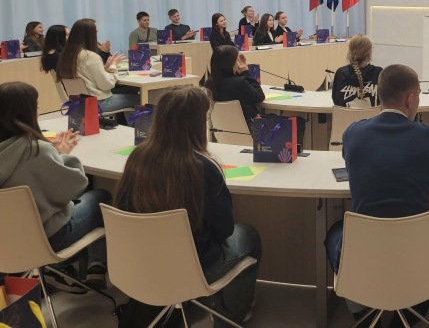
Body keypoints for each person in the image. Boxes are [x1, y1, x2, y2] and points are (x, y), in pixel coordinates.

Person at [115, 87, 261, 327]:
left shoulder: (136, 158)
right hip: (191, 268)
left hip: (142, 261)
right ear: (197, 124)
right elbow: (225, 229)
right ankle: (230, 317)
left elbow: (123, 207)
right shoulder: (204, 167)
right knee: (249, 236)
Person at [324, 64, 429, 327]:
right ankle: (414, 307)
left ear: (379, 95)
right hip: (414, 251)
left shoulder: (353, 133)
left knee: (335, 233)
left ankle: (365, 314)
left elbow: (352, 165)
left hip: (365, 252)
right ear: (411, 99)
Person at [0, 81, 110, 289]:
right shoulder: (35, 150)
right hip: (47, 239)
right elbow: (75, 186)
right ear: (26, 112)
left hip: (5, 242)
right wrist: (61, 154)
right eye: (36, 105)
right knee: (101, 197)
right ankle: (94, 267)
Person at [57, 18, 140, 115]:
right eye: (96, 32)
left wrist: (105, 68)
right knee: (144, 99)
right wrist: (113, 67)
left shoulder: (67, 55)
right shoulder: (90, 57)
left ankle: (129, 124)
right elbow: (106, 85)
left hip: (78, 101)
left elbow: (88, 75)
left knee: (129, 92)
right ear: (90, 35)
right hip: (99, 102)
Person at [204, 45, 265, 126]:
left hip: (222, 129)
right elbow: (259, 97)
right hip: (248, 128)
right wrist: (246, 72)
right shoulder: (240, 82)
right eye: (237, 61)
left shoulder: (209, 84)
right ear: (231, 64)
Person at [332, 35, 382, 108]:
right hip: (373, 115)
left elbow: (336, 102)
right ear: (369, 53)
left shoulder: (340, 73)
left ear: (350, 52)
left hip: (346, 115)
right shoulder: (379, 73)